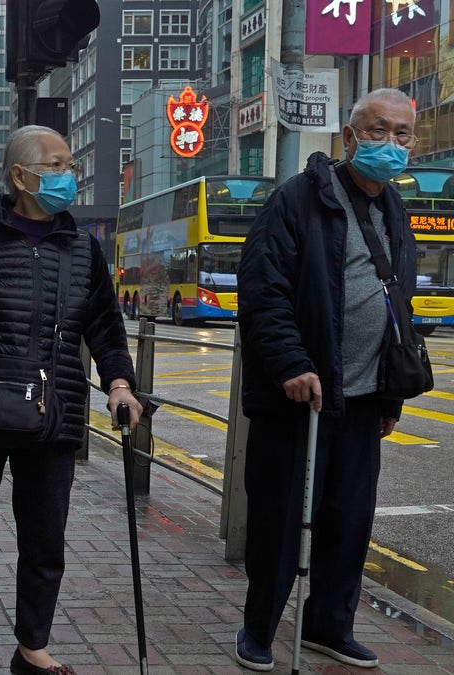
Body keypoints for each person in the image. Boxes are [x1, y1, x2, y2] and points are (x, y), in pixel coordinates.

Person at [0, 124, 140, 675]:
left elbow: (107, 329)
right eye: (58, 165)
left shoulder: (84, 250)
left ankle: (31, 646)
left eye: (69, 166)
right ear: (21, 176)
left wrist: (119, 384)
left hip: (53, 416)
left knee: (45, 542)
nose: (70, 175)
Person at [233, 88, 419, 672]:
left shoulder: (395, 208)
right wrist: (291, 364)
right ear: (349, 136)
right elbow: (264, 292)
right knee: (281, 522)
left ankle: (328, 626)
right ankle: (259, 628)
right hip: (301, 398)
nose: (391, 143)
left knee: (347, 522)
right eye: (379, 130)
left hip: (363, 399)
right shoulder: (298, 199)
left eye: (403, 134)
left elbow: (398, 306)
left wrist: (390, 393)